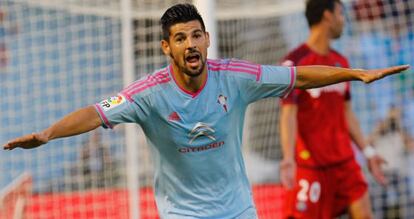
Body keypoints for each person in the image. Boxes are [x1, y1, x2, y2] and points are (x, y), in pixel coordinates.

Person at [2, 3, 409, 219]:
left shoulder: (236, 76)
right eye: (180, 38)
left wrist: (354, 73)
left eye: (196, 34)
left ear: (208, 38)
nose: (190, 43)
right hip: (183, 212)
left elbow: (299, 76)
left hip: (237, 208)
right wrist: (47, 135)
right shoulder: (148, 94)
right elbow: (95, 112)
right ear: (167, 48)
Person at [279, 0, 393, 218]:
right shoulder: (294, 63)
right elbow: (288, 114)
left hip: (345, 164)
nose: (344, 20)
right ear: (327, 16)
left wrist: (368, 152)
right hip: (312, 168)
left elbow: (347, 113)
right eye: (341, 13)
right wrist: (288, 158)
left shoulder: (341, 63)